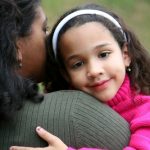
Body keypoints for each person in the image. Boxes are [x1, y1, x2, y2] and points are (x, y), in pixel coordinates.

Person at [11, 2, 150, 150]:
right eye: (78, 64)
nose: (94, 70)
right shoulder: (60, 106)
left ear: (125, 55)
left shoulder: (145, 110)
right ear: (65, 74)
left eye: (103, 54)